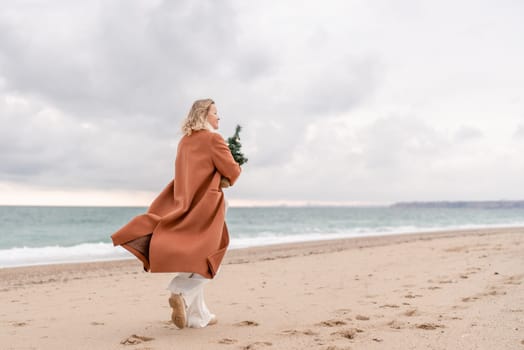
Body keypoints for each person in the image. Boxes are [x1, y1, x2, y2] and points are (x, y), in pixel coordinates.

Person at [111, 98, 241, 329]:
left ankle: (198, 316)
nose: (218, 117)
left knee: (194, 257)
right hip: (207, 206)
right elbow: (231, 171)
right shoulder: (214, 139)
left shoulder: (184, 142)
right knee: (212, 257)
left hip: (184, 205)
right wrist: (235, 167)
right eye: (215, 113)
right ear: (203, 115)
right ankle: (179, 290)